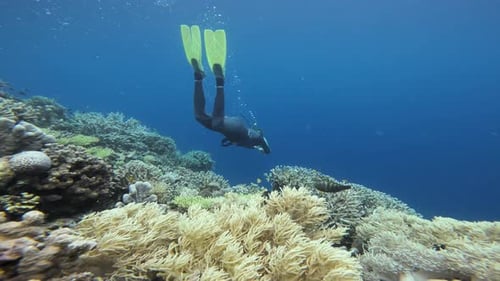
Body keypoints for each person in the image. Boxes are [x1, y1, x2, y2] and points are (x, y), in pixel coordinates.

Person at [181, 25, 271, 154]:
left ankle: (198, 77)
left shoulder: (253, 141)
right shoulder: (255, 139)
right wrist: (261, 148)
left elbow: (265, 147)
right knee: (218, 122)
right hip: (235, 127)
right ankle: (219, 81)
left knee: (199, 116)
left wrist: (258, 147)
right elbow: (268, 150)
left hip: (234, 124)